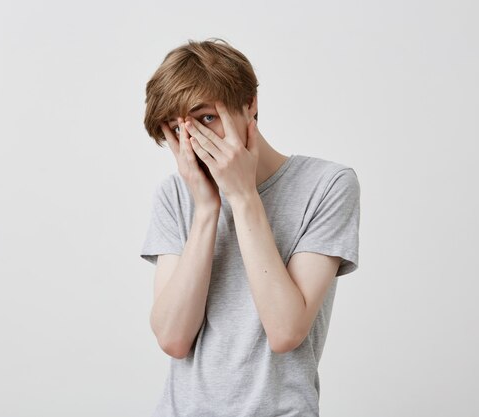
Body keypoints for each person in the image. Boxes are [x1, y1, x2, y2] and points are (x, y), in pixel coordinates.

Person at [140, 38, 361, 417]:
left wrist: (243, 198)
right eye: (179, 131)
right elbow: (174, 339)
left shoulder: (327, 184)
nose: (194, 143)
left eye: (207, 118)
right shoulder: (175, 195)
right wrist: (207, 209)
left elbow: (286, 331)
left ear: (250, 106)